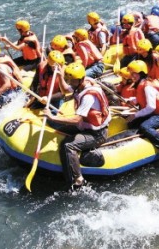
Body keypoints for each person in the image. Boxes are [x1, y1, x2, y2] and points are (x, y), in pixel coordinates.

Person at [45, 62, 111, 190]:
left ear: (80, 79)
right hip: (85, 127)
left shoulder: (88, 96)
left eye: (72, 81)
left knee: (68, 145)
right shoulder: (80, 84)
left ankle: (78, 180)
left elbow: (76, 119)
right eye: (69, 80)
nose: (70, 83)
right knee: (58, 129)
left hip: (97, 134)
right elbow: (65, 90)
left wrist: (52, 117)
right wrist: (59, 76)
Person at [123, 60, 159, 155]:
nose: (132, 76)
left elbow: (151, 107)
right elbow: (143, 98)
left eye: (134, 74)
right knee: (131, 124)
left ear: (141, 73)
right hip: (153, 114)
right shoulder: (142, 84)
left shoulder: (147, 86)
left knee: (145, 126)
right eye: (131, 74)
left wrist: (135, 115)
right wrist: (133, 100)